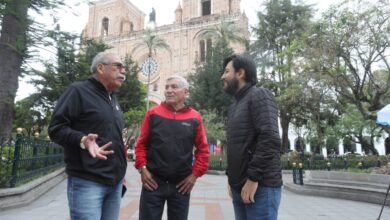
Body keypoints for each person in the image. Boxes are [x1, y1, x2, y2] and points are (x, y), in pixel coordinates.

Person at [48, 51, 127, 220]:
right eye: (118, 66)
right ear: (100, 68)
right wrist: (83, 140)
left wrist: (120, 173)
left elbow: (116, 139)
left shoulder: (113, 99)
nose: (123, 70)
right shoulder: (78, 91)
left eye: (124, 67)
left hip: (115, 183)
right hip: (87, 182)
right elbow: (56, 128)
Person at [135, 76, 210, 220]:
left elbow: (203, 150)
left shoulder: (195, 117)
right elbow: (141, 145)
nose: (169, 90)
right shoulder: (153, 113)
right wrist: (142, 169)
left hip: (181, 186)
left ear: (185, 91)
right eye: (167, 87)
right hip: (153, 183)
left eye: (174, 87)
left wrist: (194, 176)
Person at [221, 54, 283, 220]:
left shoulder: (260, 95)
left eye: (227, 71)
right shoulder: (235, 105)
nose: (223, 76)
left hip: (260, 187)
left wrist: (253, 178)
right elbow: (236, 145)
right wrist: (231, 177)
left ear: (240, 73)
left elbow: (270, 138)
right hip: (239, 186)